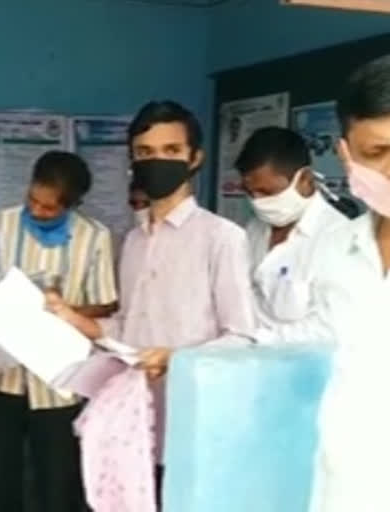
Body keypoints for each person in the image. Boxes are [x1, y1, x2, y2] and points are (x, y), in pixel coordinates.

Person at [47, 101, 256, 507]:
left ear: (195, 158)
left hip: (190, 425)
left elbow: (242, 338)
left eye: (171, 151)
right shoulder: (133, 241)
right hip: (132, 426)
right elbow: (127, 328)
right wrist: (69, 317)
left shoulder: (222, 238)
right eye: (145, 153)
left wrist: (176, 358)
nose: (156, 162)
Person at [0, 150, 118, 512]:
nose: (36, 211)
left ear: (72, 204)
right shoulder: (0, 223)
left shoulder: (94, 237)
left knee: (58, 483)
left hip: (59, 383)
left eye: (49, 208)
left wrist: (64, 310)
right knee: (0, 479)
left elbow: (105, 304)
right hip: (1, 376)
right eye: (32, 201)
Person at [308, 54, 390, 512]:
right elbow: (314, 338)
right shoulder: (335, 247)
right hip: (341, 491)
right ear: (345, 153)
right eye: (377, 154)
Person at [234, 127, 347, 344]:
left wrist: (254, 340)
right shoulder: (255, 229)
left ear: (305, 179)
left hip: (302, 369)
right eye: (250, 193)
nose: (258, 202)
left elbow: (328, 330)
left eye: (267, 192)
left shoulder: (338, 239)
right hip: (247, 365)